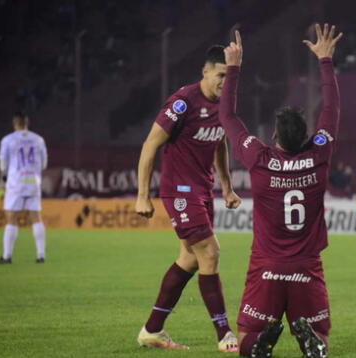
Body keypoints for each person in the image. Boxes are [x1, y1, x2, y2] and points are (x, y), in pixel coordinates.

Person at [219, 25, 341, 358]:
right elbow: (331, 112)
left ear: (274, 137)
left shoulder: (259, 158)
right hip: (306, 264)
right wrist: (325, 60)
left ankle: (261, 341)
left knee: (247, 336)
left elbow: (227, 115)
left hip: (267, 264)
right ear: (307, 136)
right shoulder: (319, 155)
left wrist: (234, 66)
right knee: (321, 336)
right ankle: (310, 340)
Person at [134, 45, 242, 352]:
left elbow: (220, 142)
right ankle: (225, 334)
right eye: (222, 74)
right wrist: (143, 195)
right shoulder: (182, 103)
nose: (226, 81)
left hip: (203, 190)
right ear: (206, 71)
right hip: (180, 191)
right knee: (210, 252)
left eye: (231, 75)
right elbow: (149, 146)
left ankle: (152, 330)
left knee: (191, 258)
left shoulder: (224, 104)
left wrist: (226, 186)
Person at [0, 112, 48, 264]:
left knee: (11, 217)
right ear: (27, 122)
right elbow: (44, 164)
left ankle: (7, 256)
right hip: (33, 181)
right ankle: (41, 255)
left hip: (16, 181)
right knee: (36, 217)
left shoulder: (8, 140)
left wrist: (5, 176)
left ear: (15, 123)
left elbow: (3, 162)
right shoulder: (38, 139)